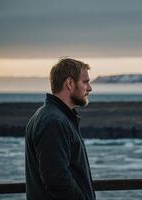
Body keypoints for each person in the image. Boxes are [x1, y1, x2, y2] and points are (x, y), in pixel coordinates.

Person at [25, 58, 95, 200]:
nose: (89, 88)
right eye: (85, 82)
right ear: (70, 83)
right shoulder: (54, 122)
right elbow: (56, 179)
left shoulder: (53, 116)